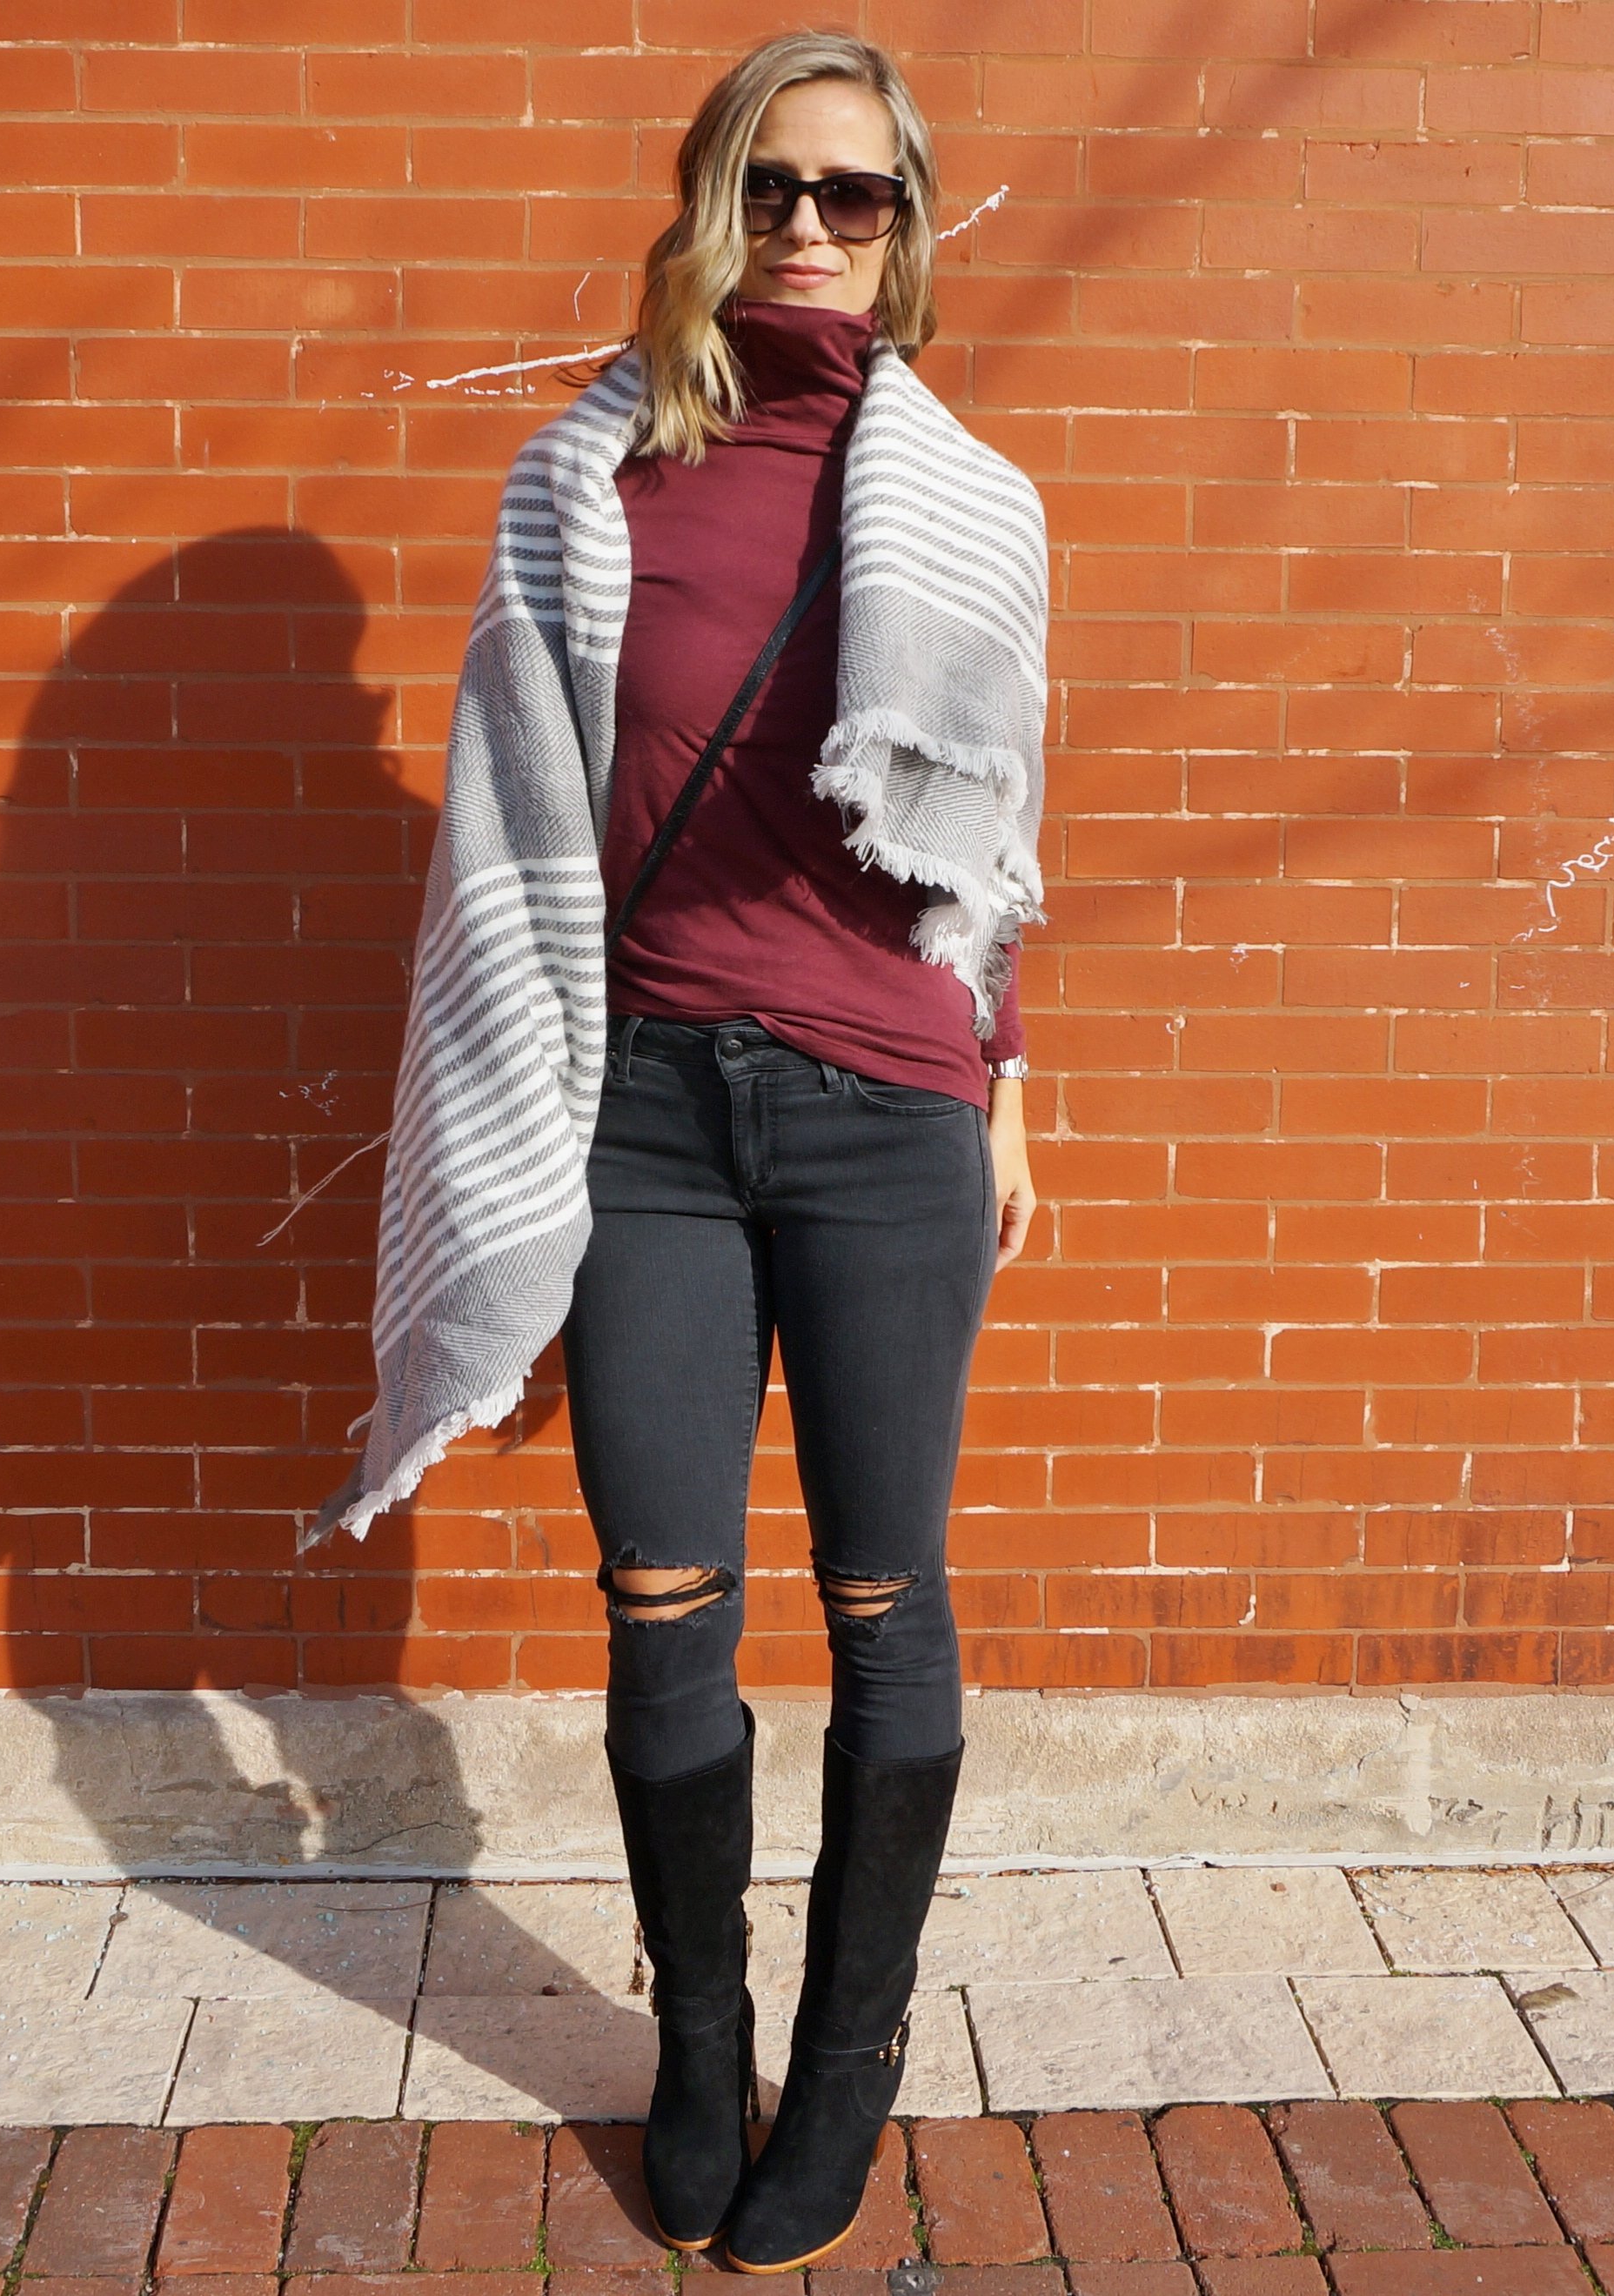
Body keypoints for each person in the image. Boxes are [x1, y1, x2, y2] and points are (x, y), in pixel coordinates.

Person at [314, 27, 1048, 2273]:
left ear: (909, 230)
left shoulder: (979, 505)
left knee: (881, 1594)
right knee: (661, 1593)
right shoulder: (585, 478)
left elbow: (992, 842)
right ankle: (703, 2047)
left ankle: (851, 2053)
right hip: (643, 1112)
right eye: (774, 186)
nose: (813, 226)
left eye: (859, 193)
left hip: (887, 1109)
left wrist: (1013, 1081)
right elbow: (512, 828)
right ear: (711, 206)